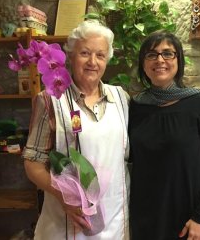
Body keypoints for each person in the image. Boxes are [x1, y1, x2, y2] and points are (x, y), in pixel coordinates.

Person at [23, 20, 130, 240]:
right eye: (85, 53)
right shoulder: (50, 100)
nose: (93, 62)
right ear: (70, 56)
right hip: (65, 223)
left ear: (107, 61)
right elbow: (32, 164)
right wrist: (65, 197)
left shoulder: (121, 98)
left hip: (114, 220)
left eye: (100, 55)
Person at [128, 30, 200, 240]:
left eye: (167, 53)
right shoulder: (135, 106)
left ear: (178, 60)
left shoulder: (199, 102)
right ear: (143, 64)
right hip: (146, 217)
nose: (160, 60)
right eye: (151, 54)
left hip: (189, 217)